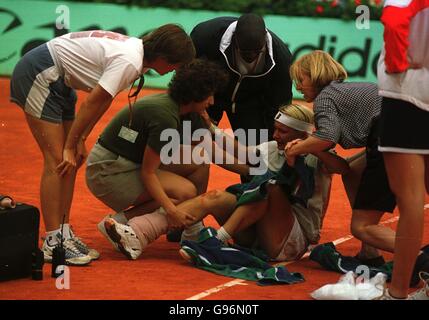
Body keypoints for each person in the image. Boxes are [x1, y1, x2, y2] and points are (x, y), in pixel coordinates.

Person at [9, 25, 195, 265]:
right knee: (57, 160)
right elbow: (91, 103)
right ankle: (53, 242)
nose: (175, 71)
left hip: (59, 79)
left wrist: (80, 139)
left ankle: (62, 233)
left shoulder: (134, 54)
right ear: (164, 58)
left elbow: (103, 101)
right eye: (177, 65)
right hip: (42, 73)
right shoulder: (130, 61)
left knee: (70, 162)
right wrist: (70, 144)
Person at [101, 103, 350, 261]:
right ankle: (137, 233)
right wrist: (209, 130)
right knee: (215, 197)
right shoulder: (276, 147)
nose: (275, 135)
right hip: (258, 230)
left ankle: (216, 243)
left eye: (281, 131)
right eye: (275, 129)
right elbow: (242, 154)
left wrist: (313, 147)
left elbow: (343, 168)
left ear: (302, 134)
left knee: (268, 187)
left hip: (291, 241)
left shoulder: (320, 159)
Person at [85, 59, 228, 253]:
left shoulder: (185, 109)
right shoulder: (164, 117)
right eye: (209, 96)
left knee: (199, 160)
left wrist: (255, 166)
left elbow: (214, 150)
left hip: (124, 163)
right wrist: (173, 210)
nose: (212, 102)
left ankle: (191, 228)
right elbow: (148, 173)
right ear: (196, 94)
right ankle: (133, 230)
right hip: (107, 173)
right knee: (185, 192)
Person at [286, 50, 397, 267]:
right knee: (353, 170)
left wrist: (295, 149)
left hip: (388, 137)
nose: (297, 87)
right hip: (398, 131)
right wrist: (312, 144)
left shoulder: (325, 97)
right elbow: (342, 166)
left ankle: (418, 257)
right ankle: (369, 252)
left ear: (316, 74)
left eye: (301, 80)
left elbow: (326, 137)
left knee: (361, 227)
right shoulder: (343, 90)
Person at [376, 0, 429, 300]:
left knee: (410, 202)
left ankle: (396, 293)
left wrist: (397, 66)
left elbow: (395, 20)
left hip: (408, 96)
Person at [190, 13, 293, 143]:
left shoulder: (282, 58)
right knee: (191, 145)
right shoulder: (205, 36)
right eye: (244, 51)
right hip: (209, 96)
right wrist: (198, 104)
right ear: (234, 39)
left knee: (257, 156)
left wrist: (273, 139)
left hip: (250, 104)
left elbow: (279, 103)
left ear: (265, 41)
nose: (251, 56)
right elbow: (188, 74)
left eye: (258, 51)